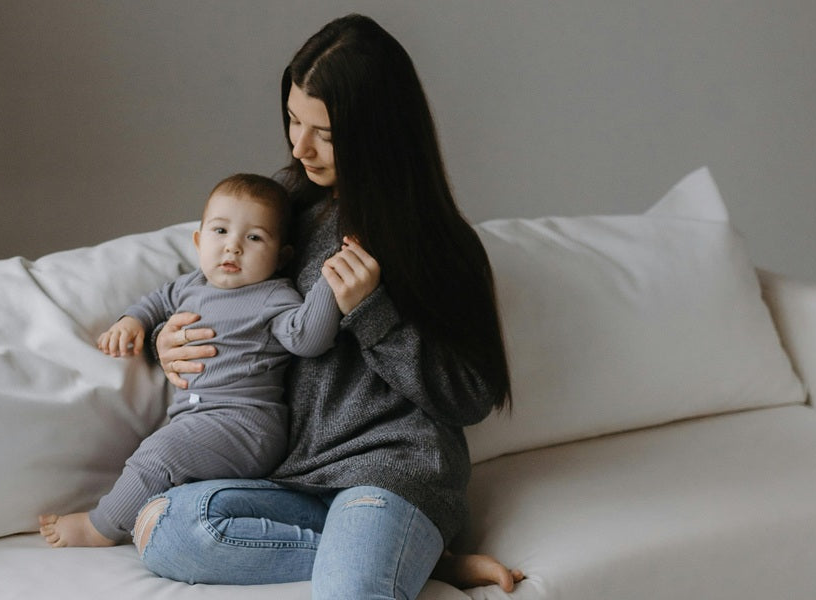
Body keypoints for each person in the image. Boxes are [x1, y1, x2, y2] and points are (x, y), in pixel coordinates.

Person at [135, 14, 525, 597]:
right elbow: (209, 287)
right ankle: (413, 559)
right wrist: (162, 339)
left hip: (391, 476)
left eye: (325, 132)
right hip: (293, 480)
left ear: (377, 132)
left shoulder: (438, 242)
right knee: (163, 526)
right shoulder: (284, 210)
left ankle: (388, 550)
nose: (299, 146)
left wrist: (373, 313)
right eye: (294, 120)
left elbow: (470, 396)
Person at [39, 173, 341, 548]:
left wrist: (328, 288)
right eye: (220, 231)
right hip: (199, 420)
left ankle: (99, 527)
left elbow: (307, 338)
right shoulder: (192, 284)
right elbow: (156, 302)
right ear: (198, 241)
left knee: (159, 454)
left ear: (281, 257)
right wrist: (132, 322)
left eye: (254, 238)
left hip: (245, 425)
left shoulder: (273, 296)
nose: (233, 247)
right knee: (158, 456)